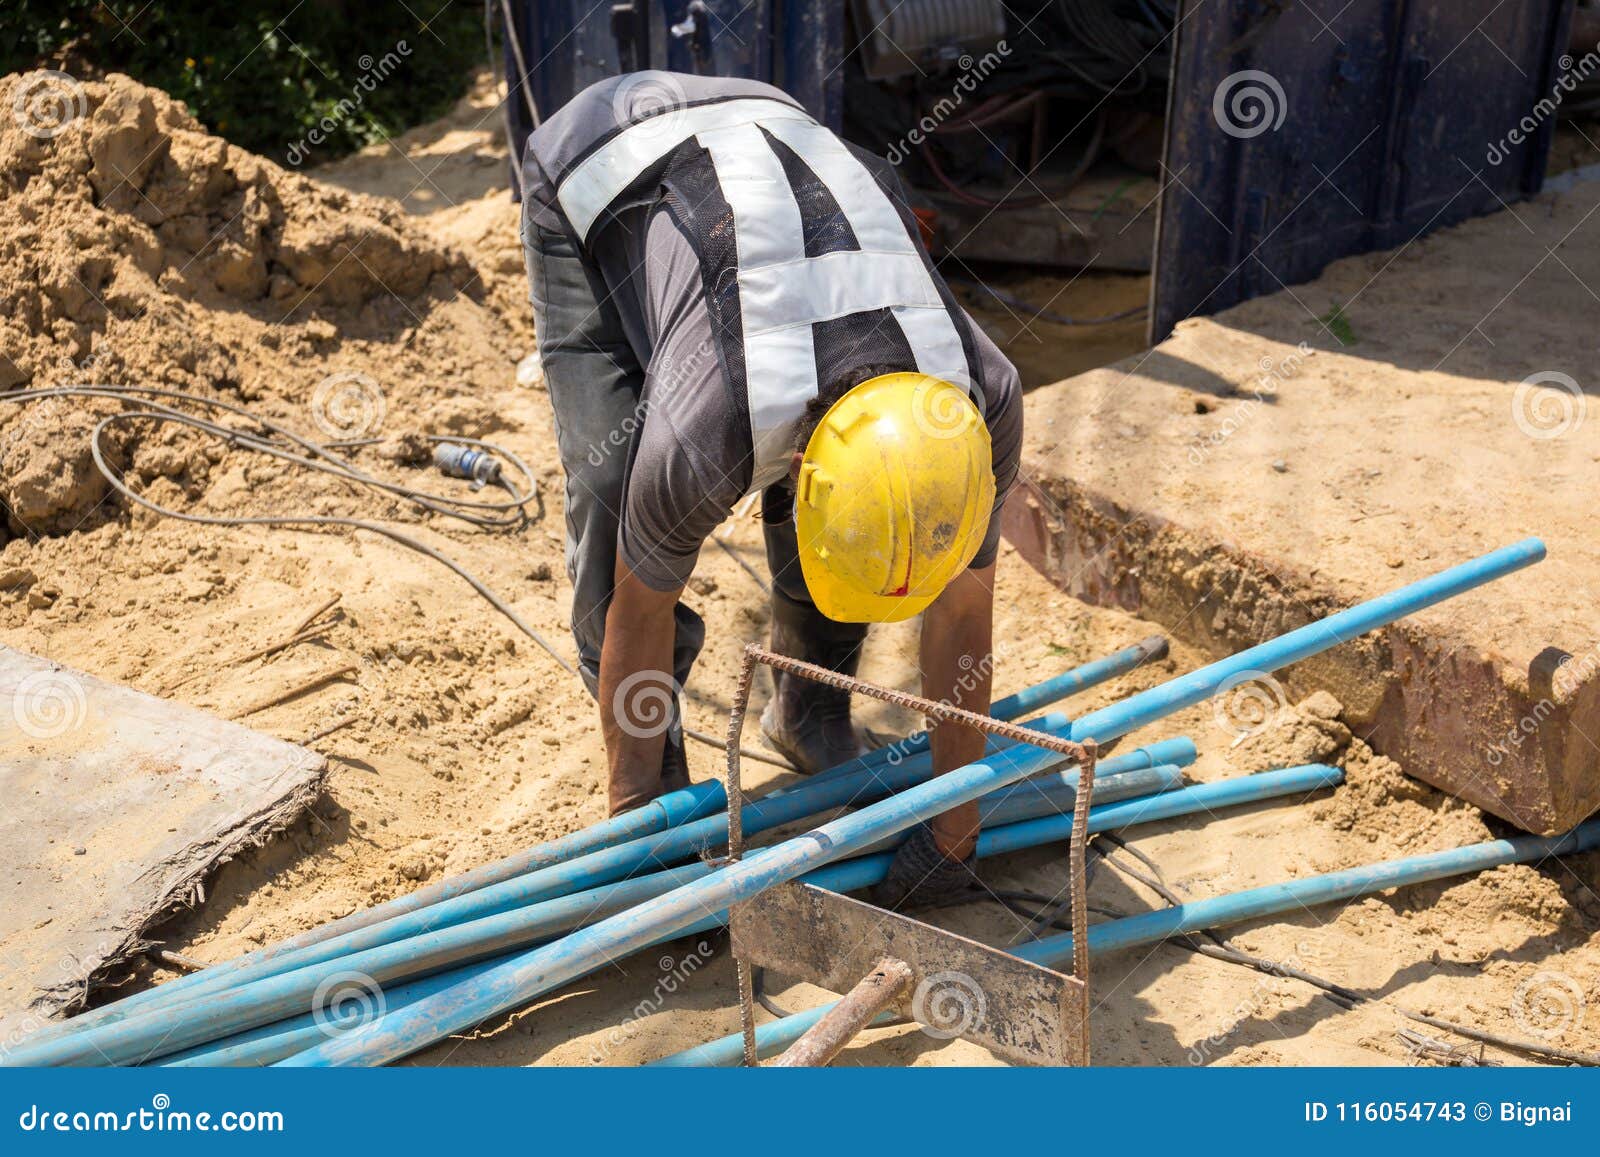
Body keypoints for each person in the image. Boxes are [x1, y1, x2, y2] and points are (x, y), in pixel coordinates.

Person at [519, 71, 1021, 908]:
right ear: (798, 469)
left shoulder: (982, 400)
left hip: (773, 136)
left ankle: (809, 708)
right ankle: (659, 795)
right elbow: (637, 615)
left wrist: (951, 834)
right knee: (613, 492)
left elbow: (964, 618)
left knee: (877, 522)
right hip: (598, 165)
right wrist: (647, 857)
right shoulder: (705, 432)